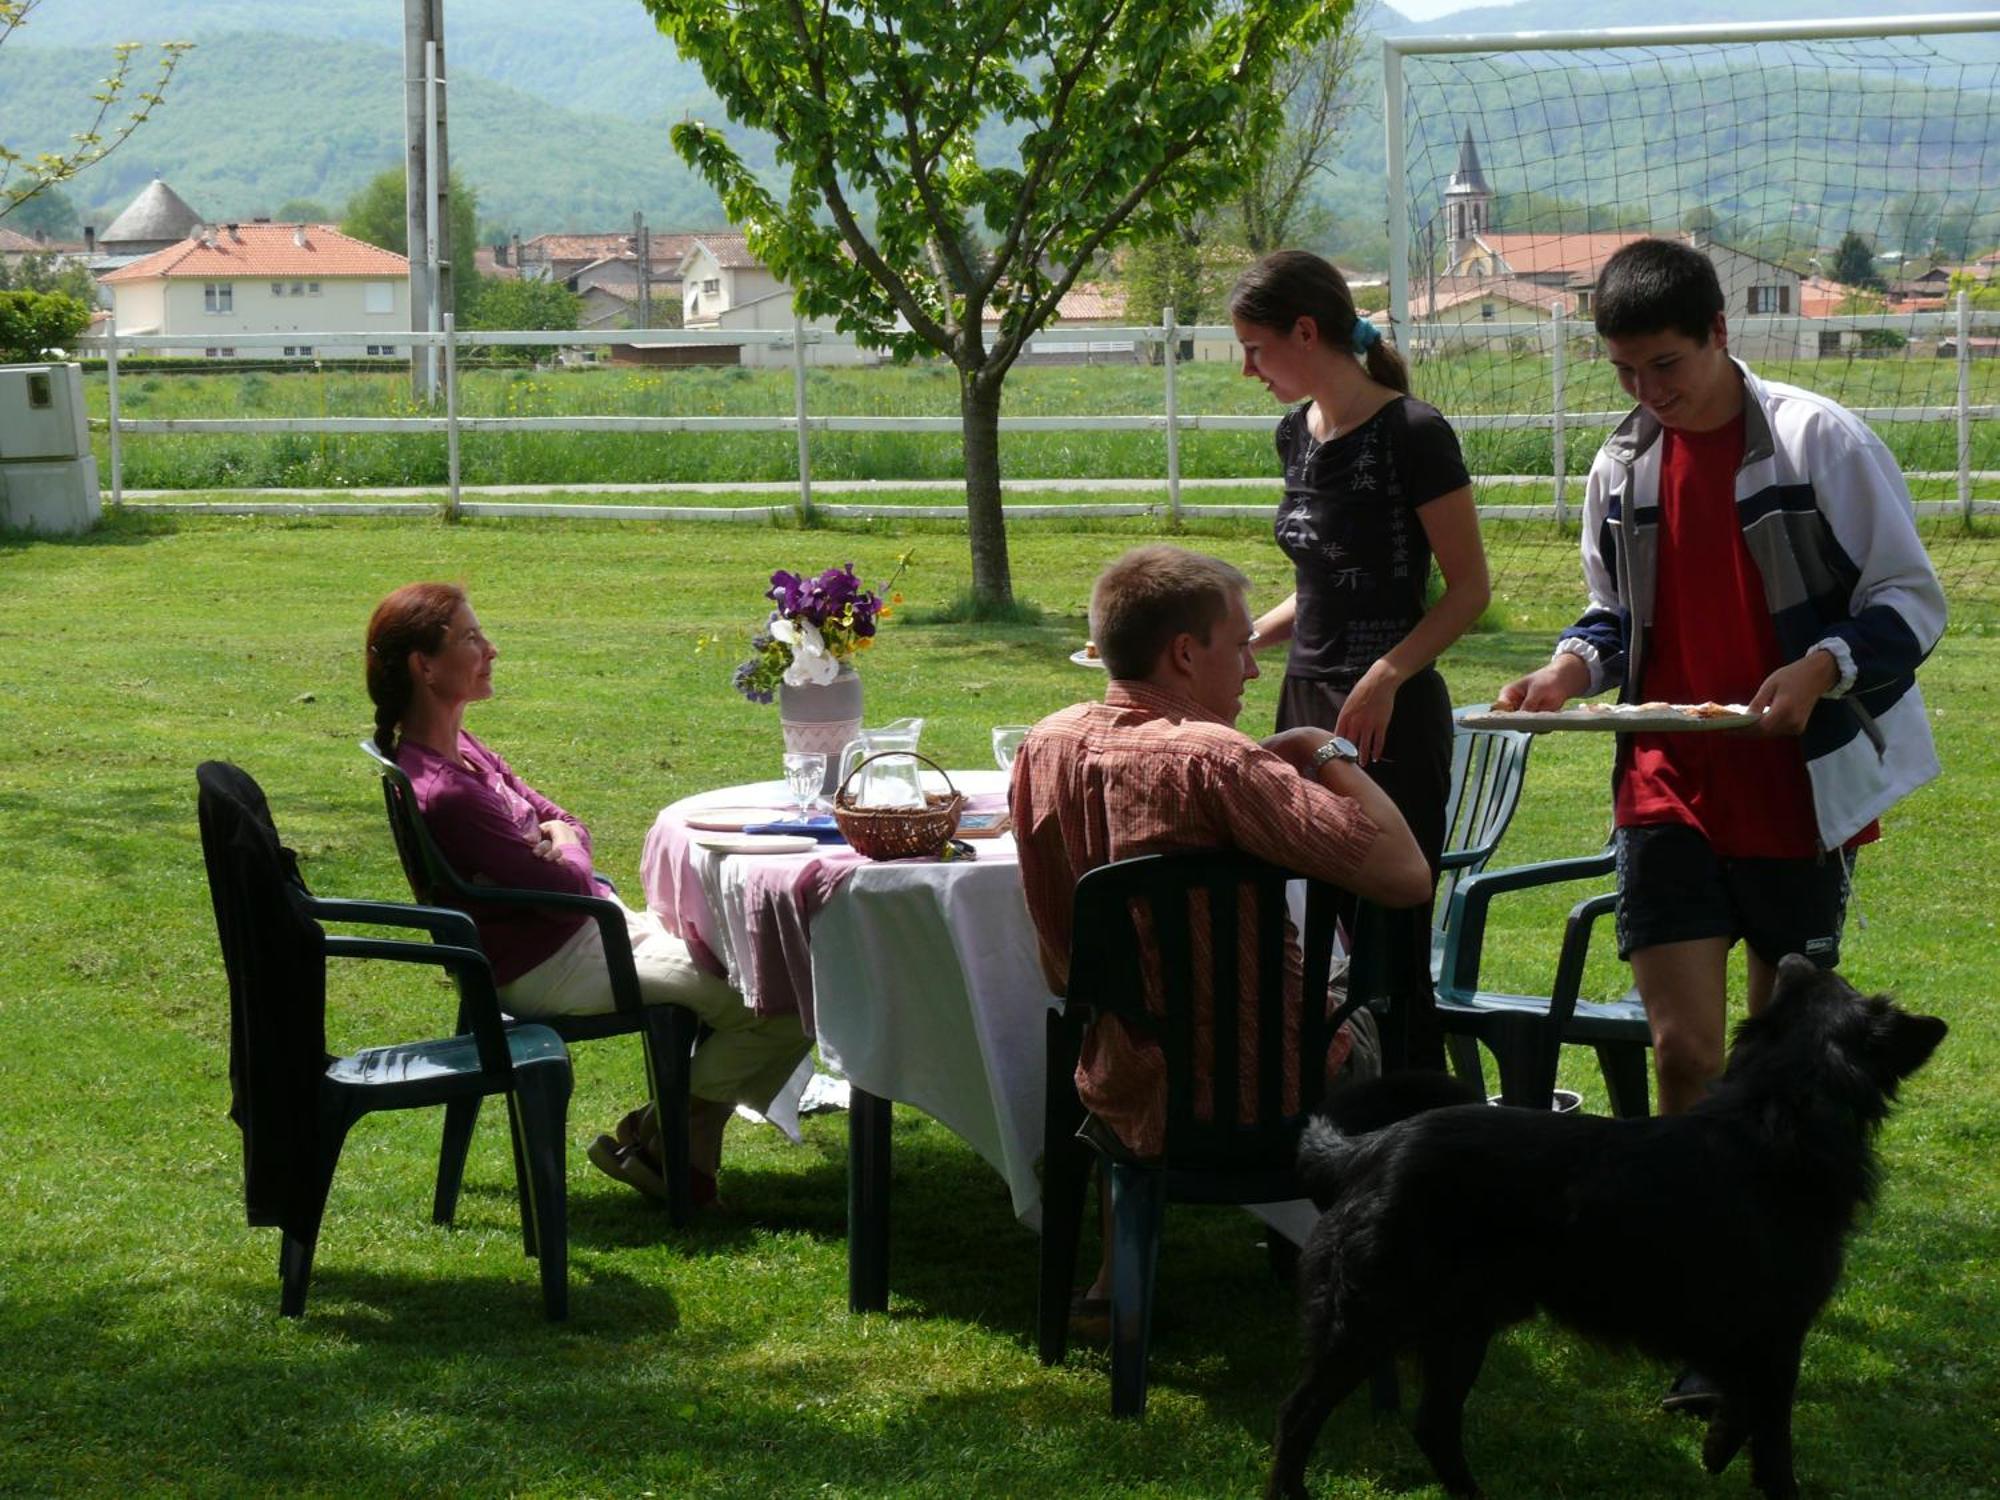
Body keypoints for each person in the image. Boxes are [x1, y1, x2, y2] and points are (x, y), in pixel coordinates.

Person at [1011, 546, 1432, 1314]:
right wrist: (1320, 748)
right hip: (1273, 1090)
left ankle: (1115, 1285)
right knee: (1372, 1009)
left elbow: (1056, 964)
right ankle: (1390, 1278)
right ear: (1183, 653)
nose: (1252, 669)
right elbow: (1407, 875)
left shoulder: (1047, 745)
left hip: (1122, 1079)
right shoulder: (1219, 764)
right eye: (1240, 646)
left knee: (1147, 1010)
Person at [364, 582, 811, 1208]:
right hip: (552, 961)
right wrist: (562, 846)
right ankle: (672, 1136)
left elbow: (564, 820)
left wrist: (558, 837)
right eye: (470, 638)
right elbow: (565, 878)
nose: (490, 648)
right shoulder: (448, 791)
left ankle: (663, 1135)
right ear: (424, 665)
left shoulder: (460, 749)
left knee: (765, 971)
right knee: (783, 1001)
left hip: (581, 929)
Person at [1227, 250, 1492, 1067]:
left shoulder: (1414, 432)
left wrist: (1386, 675)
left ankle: (1413, 1124)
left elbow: (1469, 590)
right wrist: (1239, 642)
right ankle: (1312, 1118)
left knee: (1387, 943)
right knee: (1304, 932)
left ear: (1306, 332)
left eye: (1256, 349)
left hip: (1390, 720)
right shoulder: (1293, 433)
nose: (1247, 370)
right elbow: (1324, 584)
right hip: (1303, 706)